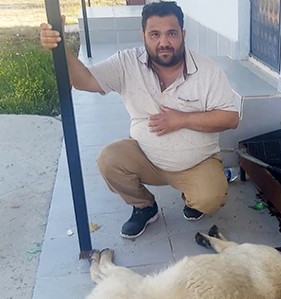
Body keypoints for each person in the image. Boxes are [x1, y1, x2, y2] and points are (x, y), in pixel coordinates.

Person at [39, 1, 239, 239]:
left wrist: (181, 120)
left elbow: (231, 118)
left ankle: (192, 200)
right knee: (108, 159)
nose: (163, 42)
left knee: (211, 197)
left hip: (196, 163)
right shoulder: (126, 63)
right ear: (143, 35)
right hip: (146, 158)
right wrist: (60, 47)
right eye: (154, 34)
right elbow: (85, 81)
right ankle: (144, 206)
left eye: (171, 33)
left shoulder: (208, 71)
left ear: (183, 34)